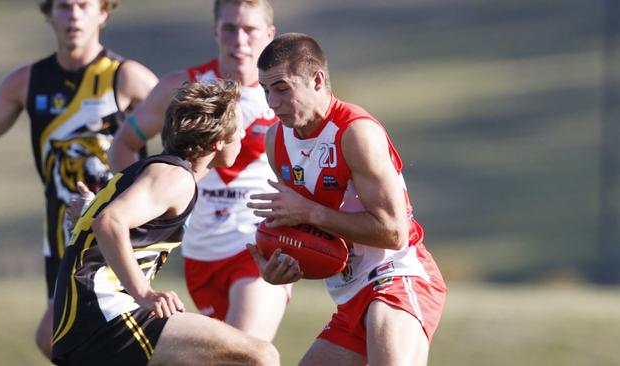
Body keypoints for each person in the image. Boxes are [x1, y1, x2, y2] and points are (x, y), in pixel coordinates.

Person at [0, 0, 158, 358]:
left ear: (104, 12)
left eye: (84, 5)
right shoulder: (27, 82)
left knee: (63, 334)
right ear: (48, 13)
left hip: (116, 229)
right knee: (60, 339)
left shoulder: (126, 77)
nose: (73, 15)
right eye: (64, 6)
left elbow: (186, 128)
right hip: (60, 231)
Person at [247, 33, 447, 366]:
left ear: (317, 80)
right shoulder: (275, 141)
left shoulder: (355, 133)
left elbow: (394, 232)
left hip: (396, 277)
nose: (272, 102)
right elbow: (306, 234)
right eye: (266, 90)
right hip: (350, 295)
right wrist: (279, 263)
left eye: (282, 89)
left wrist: (309, 212)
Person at [51, 80, 280, 366]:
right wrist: (143, 293)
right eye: (239, 128)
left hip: (86, 323)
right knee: (259, 356)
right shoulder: (175, 177)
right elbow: (109, 222)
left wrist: (88, 211)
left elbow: (107, 218)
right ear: (217, 140)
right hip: (103, 317)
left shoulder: (160, 171)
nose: (244, 134)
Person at [108, 0, 288, 341]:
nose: (240, 40)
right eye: (230, 29)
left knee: (245, 353)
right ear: (215, 32)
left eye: (250, 29)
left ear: (269, 34)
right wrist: (145, 210)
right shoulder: (183, 89)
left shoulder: (286, 95)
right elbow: (123, 144)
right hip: (199, 251)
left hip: (258, 245)